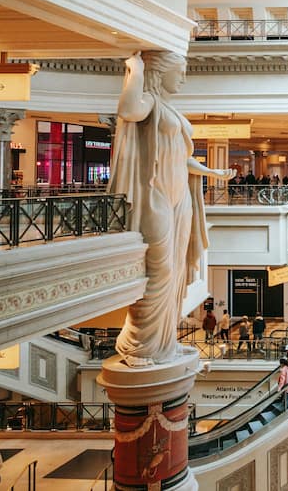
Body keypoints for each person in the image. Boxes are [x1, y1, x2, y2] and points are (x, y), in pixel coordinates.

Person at [109, 51, 235, 366]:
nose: (183, 78)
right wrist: (134, 71)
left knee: (175, 270)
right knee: (159, 270)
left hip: (180, 199)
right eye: (179, 71)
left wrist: (212, 174)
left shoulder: (170, 109)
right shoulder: (149, 100)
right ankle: (137, 345)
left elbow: (181, 156)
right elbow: (127, 109)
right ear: (160, 72)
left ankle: (163, 342)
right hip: (156, 194)